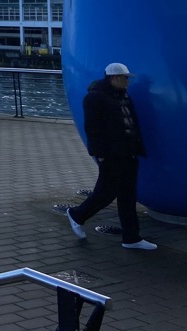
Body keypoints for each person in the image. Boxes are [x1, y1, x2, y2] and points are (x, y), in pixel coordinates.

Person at [66, 62, 157, 250]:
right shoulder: (95, 97)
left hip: (128, 153)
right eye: (125, 78)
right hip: (111, 155)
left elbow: (130, 123)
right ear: (114, 78)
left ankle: (131, 238)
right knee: (107, 192)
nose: (127, 82)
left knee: (127, 196)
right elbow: (92, 129)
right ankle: (77, 214)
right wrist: (100, 154)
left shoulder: (122, 95)